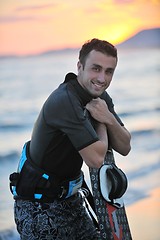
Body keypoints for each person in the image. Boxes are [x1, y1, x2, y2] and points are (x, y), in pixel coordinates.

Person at [10, 38, 131, 240]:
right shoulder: (65, 100)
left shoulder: (99, 97)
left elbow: (125, 145)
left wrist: (107, 116)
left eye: (109, 71)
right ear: (80, 67)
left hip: (72, 201)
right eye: (96, 68)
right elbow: (95, 159)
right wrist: (102, 121)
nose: (102, 78)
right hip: (39, 208)